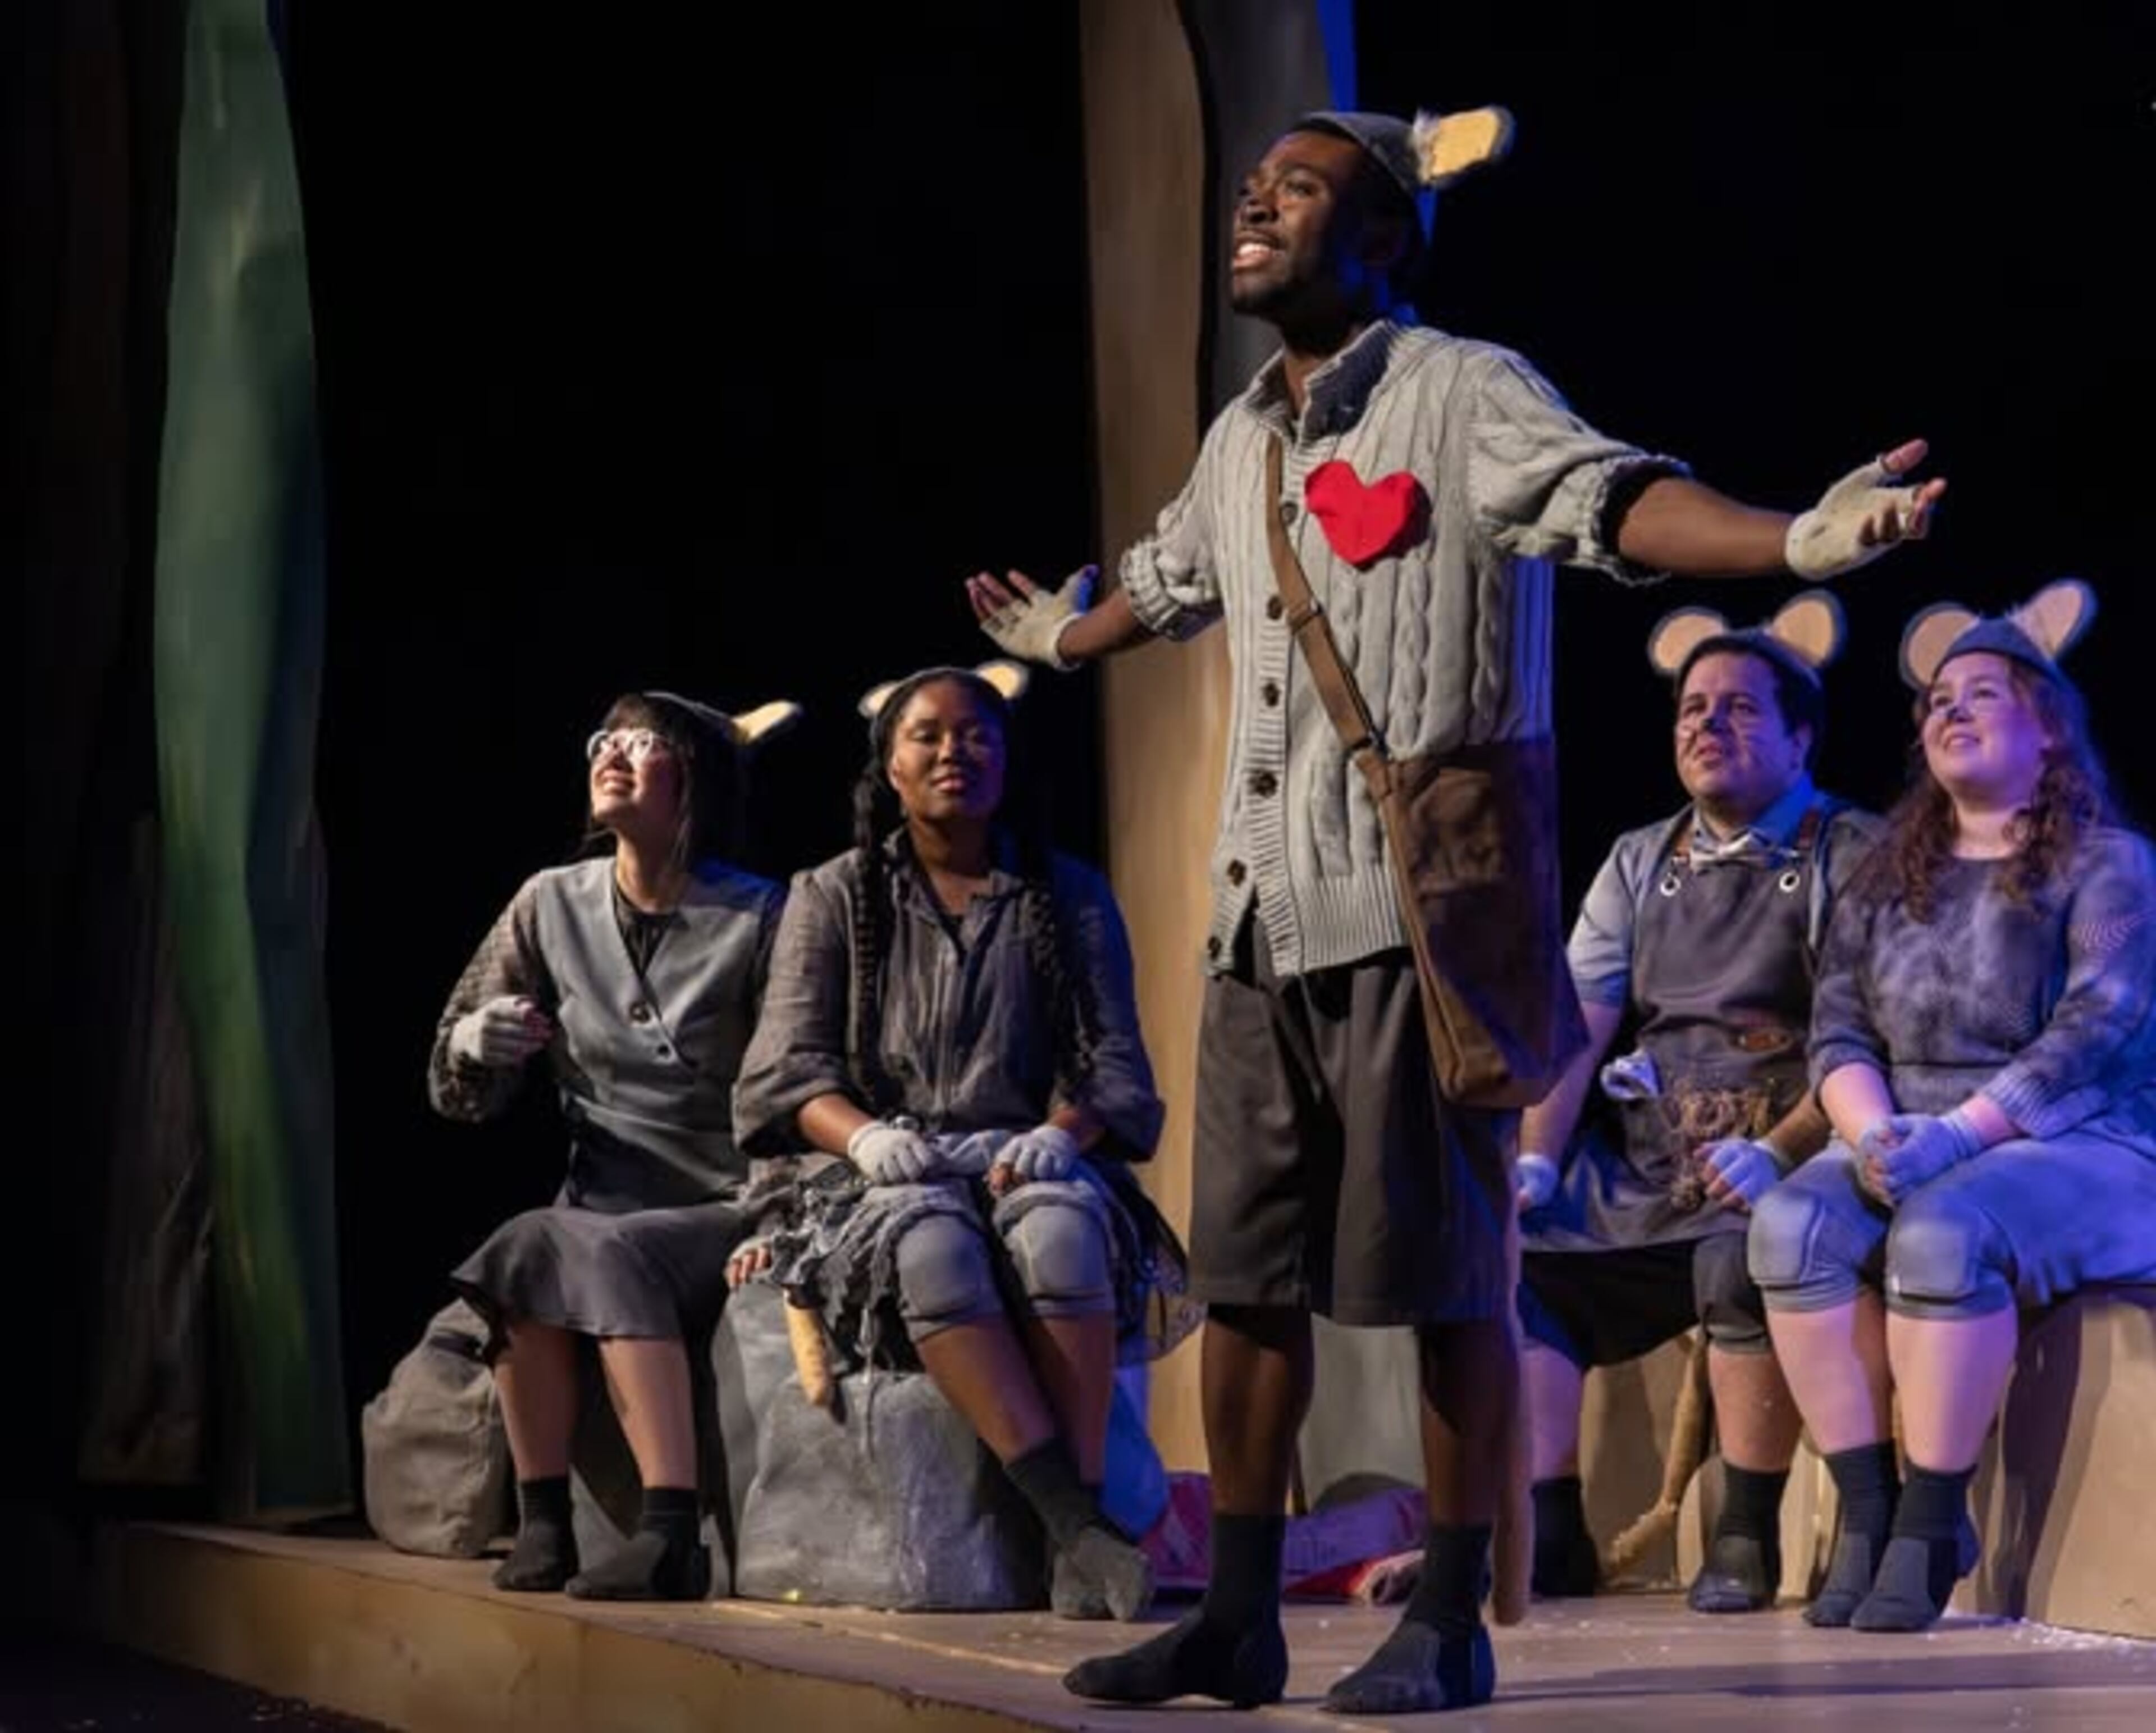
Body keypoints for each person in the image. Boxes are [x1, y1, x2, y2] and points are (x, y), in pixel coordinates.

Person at [966, 106, 1942, 1714]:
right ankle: (1239, 1619)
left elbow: (1612, 501)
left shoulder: (1462, 388)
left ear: (1385, 237)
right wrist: (1063, 640)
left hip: (1421, 925)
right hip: (1259, 930)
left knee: (1448, 1283)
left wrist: (1791, 539)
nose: (1255, 205)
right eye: (1251, 188)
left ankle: (1452, 1613)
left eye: (1298, 188)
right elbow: (1170, 578)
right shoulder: (1239, 440)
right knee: (1248, 1284)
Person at [728, 662, 1189, 1621]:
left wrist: (1062, 1135)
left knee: (1062, 1232)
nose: (954, 752)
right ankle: (1075, 1526)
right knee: (933, 1243)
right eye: (928, 736)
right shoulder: (832, 892)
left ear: (1007, 759)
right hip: (878, 1176)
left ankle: (1082, 1509)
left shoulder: (1067, 891)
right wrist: (863, 1139)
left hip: (1024, 1158)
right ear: (890, 765)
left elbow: (1115, 1063)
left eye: (977, 734)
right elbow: (787, 1070)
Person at [1748, 580, 2156, 1632]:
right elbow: (1839, 1033)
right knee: (1789, 1223)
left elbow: (2097, 1029)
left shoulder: (2110, 865)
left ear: (2049, 730)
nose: (1952, 711)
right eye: (1937, 701)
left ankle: (1935, 1521)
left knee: (1942, 1228)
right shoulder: (1884, 878)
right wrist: (1871, 1133)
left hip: (2080, 1136)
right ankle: (1871, 1509)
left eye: (1983, 694)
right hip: (1914, 1133)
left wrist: (1956, 1137)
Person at [1509, 592, 1878, 1614]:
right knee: (1513, 1255)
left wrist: (1783, 1149)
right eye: (1691, 709)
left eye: (1740, 708)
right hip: (1656, 1162)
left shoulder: (1851, 850)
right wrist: (1535, 1158)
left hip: (1794, 1149)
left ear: (1801, 738)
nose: (1706, 725)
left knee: (1736, 1259)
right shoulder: (1640, 858)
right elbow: (1577, 1026)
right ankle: (1549, 1529)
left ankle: (1743, 1530)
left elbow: (1865, 1039)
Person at [430, 690, 796, 1600]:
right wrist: (475, 1044)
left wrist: (781, 1219)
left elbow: (798, 1084)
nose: (613, 754)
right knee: (522, 1243)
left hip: (719, 1199)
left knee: (604, 1248)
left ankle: (671, 1532)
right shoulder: (549, 901)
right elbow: (456, 1088)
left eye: (644, 742)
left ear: (695, 777)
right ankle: (544, 1519)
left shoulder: (762, 914)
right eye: (605, 739)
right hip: (599, 1196)